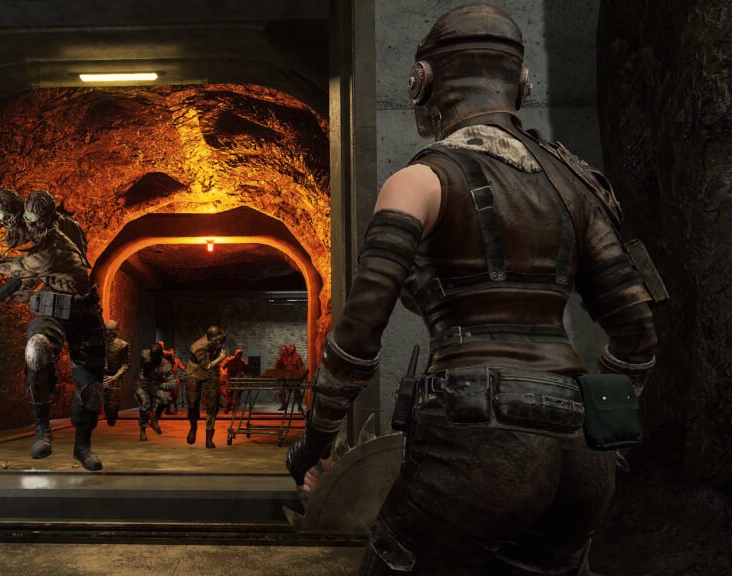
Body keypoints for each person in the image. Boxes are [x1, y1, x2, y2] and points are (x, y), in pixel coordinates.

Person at [286, 4, 661, 574]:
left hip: (475, 435)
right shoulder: (579, 186)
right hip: (582, 455)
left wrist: (313, 443)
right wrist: (602, 425)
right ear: (522, 84)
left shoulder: (419, 181)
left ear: (424, 82)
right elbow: (637, 335)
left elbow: (359, 334)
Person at [0, 189, 107, 471]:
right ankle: (42, 430)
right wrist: (34, 288)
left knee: (91, 387)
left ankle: (83, 446)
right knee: (36, 351)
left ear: (45, 221)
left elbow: (1, 264)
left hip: (84, 313)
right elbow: (53, 272)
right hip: (51, 309)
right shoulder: (60, 227)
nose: (24, 229)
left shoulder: (53, 248)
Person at [184, 326, 227, 449]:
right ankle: (193, 427)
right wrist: (221, 358)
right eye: (215, 341)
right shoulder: (198, 347)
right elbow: (206, 365)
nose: (218, 343)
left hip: (212, 368)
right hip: (195, 369)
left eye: (219, 340)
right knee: (192, 401)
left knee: (213, 403)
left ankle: (209, 436)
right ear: (209, 339)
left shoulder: (220, 337)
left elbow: (211, 365)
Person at [134, 344, 177, 441]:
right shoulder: (145, 354)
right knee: (145, 406)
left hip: (155, 386)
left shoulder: (166, 365)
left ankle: (155, 420)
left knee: (167, 399)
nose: (152, 359)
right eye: (151, 356)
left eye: (155, 357)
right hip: (143, 385)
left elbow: (173, 383)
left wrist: (161, 386)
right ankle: (143, 429)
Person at [103, 319, 130, 426]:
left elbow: (125, 365)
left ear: (114, 333)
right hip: (98, 377)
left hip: (113, 377)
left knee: (112, 408)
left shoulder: (123, 345)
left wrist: (115, 377)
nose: (106, 335)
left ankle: (111, 417)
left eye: (109, 333)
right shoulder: (99, 343)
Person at [158, 340, 185, 414]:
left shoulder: (177, 361)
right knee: (167, 395)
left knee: (175, 395)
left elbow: (183, 368)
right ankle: (168, 408)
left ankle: (175, 407)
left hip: (175, 380)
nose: (171, 354)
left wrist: (185, 371)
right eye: (170, 353)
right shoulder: (165, 361)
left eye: (172, 353)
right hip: (167, 380)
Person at [220, 348, 249, 413]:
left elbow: (245, 370)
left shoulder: (242, 361)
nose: (238, 356)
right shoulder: (229, 359)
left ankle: (234, 406)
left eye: (240, 354)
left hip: (237, 377)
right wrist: (223, 373)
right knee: (229, 391)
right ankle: (228, 405)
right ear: (235, 354)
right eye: (237, 354)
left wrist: (246, 368)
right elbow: (221, 367)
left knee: (238, 392)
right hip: (229, 377)